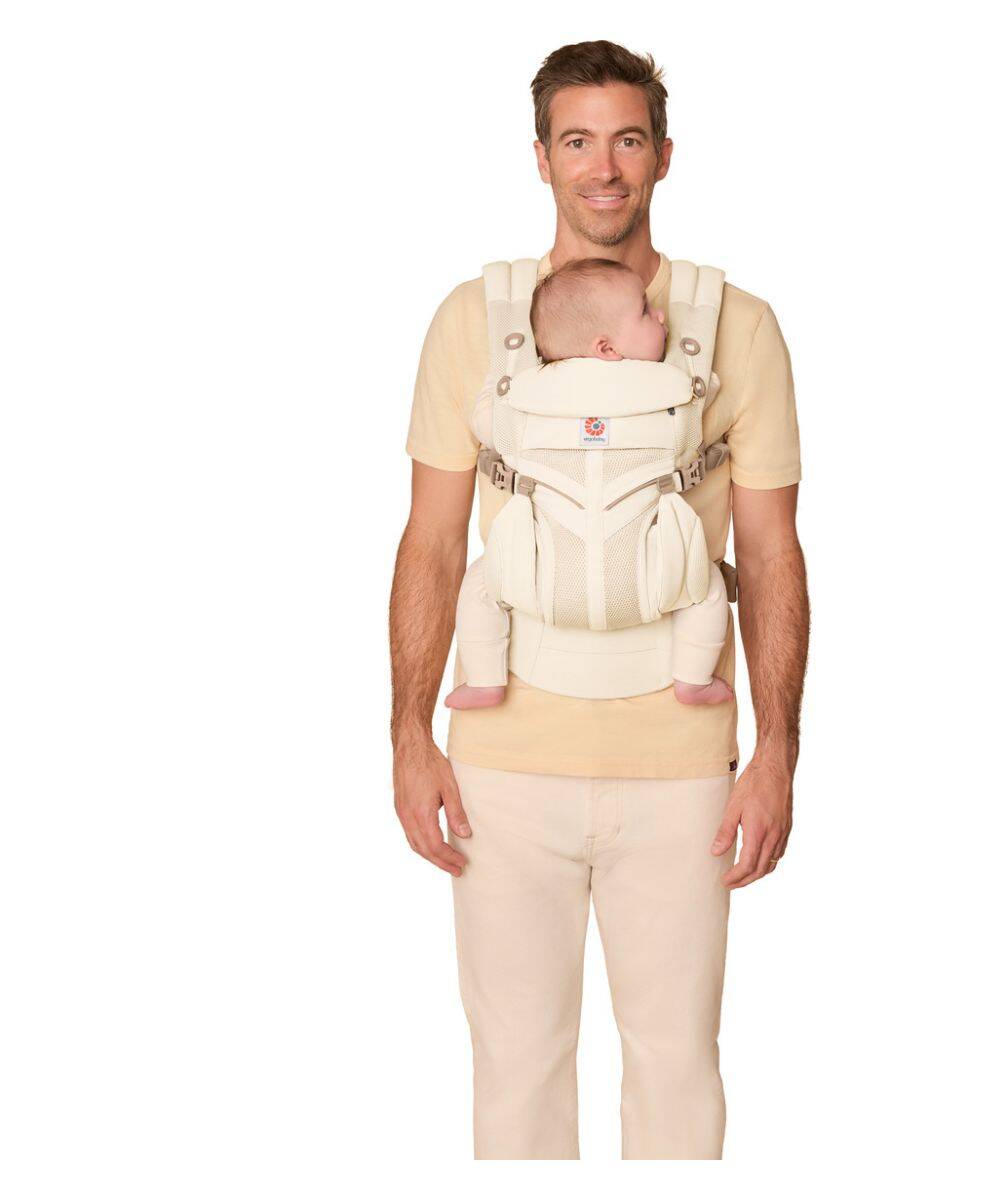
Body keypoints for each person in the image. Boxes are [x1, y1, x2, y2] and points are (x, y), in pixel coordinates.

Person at [390, 40, 810, 1160]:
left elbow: (773, 552)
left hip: (682, 769)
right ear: (541, 158)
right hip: (502, 769)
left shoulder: (737, 328)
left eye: (628, 140)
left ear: (665, 155)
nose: (604, 167)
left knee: (677, 1070)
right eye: (578, 141)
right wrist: (408, 736)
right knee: (515, 1074)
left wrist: (777, 750)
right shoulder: (472, 322)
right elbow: (431, 543)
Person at [444, 256, 735, 711]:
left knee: (481, 584)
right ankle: (693, 679)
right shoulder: (675, 402)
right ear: (607, 348)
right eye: (645, 310)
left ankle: (484, 679)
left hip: (542, 586)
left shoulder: (521, 407)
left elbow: (486, 421)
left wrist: (493, 386)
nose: (661, 315)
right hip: (649, 582)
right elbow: (707, 389)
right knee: (707, 587)